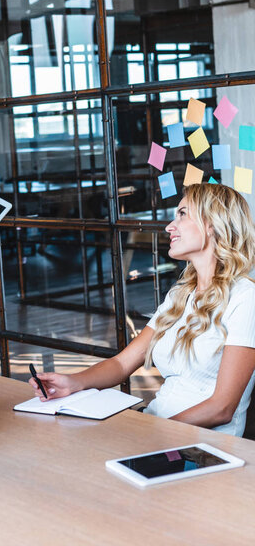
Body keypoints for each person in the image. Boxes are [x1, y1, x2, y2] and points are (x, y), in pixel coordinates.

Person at [30, 183, 255, 437]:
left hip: (201, 448)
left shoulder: (246, 297)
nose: (170, 226)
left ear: (212, 224)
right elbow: (121, 363)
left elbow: (222, 408)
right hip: (157, 429)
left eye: (182, 214)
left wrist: (150, 433)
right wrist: (73, 382)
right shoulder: (181, 294)